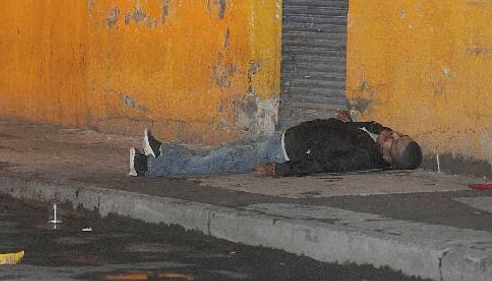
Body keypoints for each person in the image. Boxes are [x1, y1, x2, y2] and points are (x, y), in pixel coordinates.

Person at [130, 110, 423, 178]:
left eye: (393, 143)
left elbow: (323, 164)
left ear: (387, 159)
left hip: (283, 151)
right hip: (286, 138)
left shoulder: (362, 157)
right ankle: (164, 152)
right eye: (398, 135)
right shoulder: (374, 134)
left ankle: (150, 167)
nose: (392, 135)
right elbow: (359, 131)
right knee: (224, 152)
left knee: (221, 160)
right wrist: (347, 123)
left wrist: (279, 170)